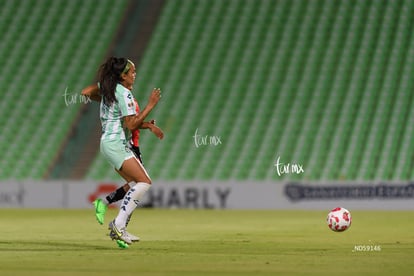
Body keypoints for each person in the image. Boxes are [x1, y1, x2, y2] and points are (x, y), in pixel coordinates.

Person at [81, 57, 162, 245]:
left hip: (110, 143)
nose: (135, 74)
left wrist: (107, 100)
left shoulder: (110, 88)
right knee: (144, 183)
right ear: (123, 75)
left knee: (135, 183)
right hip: (116, 144)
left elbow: (85, 92)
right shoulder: (123, 93)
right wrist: (151, 105)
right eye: (132, 72)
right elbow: (131, 123)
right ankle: (118, 224)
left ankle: (119, 227)